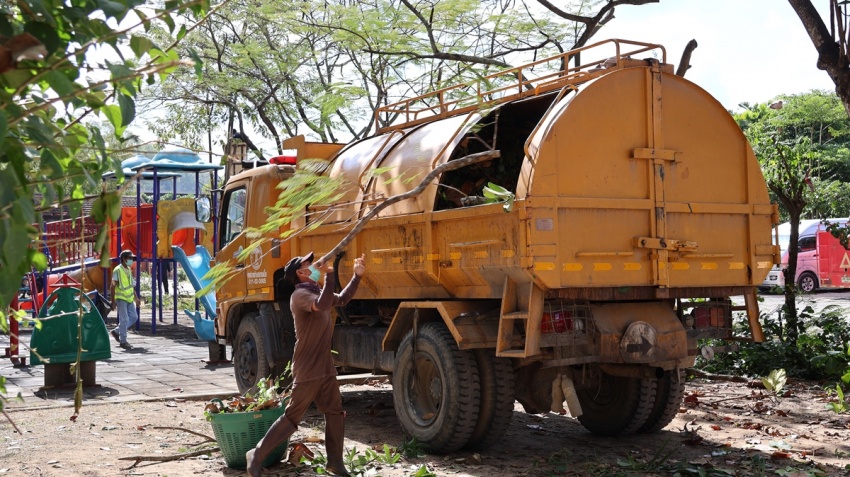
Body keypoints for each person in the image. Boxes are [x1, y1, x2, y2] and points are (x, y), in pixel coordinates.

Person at [245, 251, 366, 477]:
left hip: (325, 366)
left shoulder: (316, 291)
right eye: (309, 265)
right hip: (308, 366)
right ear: (300, 273)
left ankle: (335, 463)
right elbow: (322, 305)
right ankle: (256, 454)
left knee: (335, 412)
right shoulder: (300, 295)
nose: (314, 267)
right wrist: (330, 275)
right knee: (293, 415)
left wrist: (357, 276)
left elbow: (342, 299)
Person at [109, 250, 141, 349]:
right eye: (130, 258)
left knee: (134, 317)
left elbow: (131, 286)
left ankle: (116, 331)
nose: (132, 260)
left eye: (132, 258)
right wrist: (113, 301)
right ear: (124, 259)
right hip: (121, 298)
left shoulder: (129, 270)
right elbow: (112, 286)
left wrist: (136, 298)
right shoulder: (117, 270)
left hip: (129, 298)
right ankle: (123, 341)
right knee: (124, 319)